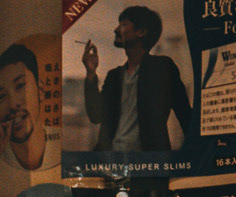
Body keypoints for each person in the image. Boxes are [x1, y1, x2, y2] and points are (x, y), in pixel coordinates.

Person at [81, 5, 191, 157]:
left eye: (124, 24)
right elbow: (95, 115)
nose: (116, 29)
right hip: (112, 165)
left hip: (149, 166)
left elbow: (185, 115)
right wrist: (91, 72)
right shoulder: (114, 76)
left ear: (141, 32)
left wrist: (195, 158)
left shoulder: (162, 68)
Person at [0, 41, 46, 172]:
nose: (13, 104)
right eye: (0, 97)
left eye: (20, 86)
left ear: (40, 90)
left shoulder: (65, 148)